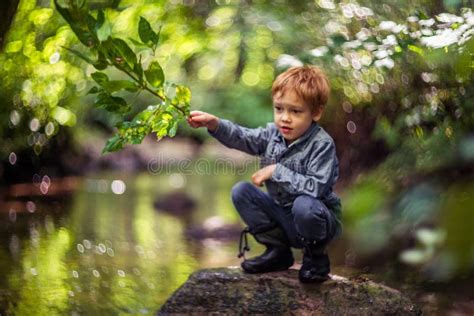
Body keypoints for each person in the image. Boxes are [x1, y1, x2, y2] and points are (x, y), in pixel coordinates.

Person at [187, 65, 342, 283]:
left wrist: (277, 171)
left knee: (304, 206)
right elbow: (243, 137)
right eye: (279, 109)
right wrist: (215, 125)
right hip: (283, 217)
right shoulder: (272, 135)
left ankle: (316, 259)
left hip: (315, 221)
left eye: (295, 111)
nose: (285, 118)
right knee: (241, 191)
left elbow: (315, 188)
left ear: (316, 113)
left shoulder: (321, 144)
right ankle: (278, 251)